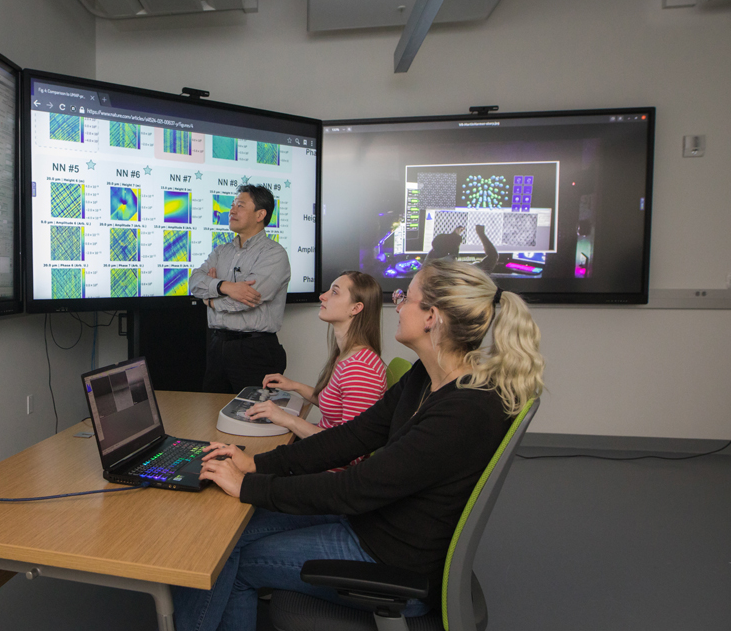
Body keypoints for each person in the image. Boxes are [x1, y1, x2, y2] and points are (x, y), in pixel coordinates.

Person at [174, 260, 545, 631]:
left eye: (404, 298)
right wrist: (257, 465)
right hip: (375, 522)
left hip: (389, 556)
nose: (396, 307)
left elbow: (353, 489)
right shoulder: (426, 376)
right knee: (227, 533)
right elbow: (351, 437)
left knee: (227, 558)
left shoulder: (463, 411)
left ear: (432, 316)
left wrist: (247, 486)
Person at [245, 271, 386, 444]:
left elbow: (347, 447)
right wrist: (294, 385)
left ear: (355, 308)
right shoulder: (346, 356)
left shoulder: (360, 369)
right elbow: (335, 404)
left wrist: (287, 419)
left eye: (334, 292)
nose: (322, 296)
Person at [190, 184, 291, 394]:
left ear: (260, 214)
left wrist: (209, 299)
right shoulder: (221, 251)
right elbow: (194, 283)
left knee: (253, 417)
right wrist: (224, 286)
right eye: (232, 205)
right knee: (212, 414)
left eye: (240, 206)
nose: (232, 211)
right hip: (217, 345)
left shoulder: (274, 254)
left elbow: (245, 300)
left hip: (254, 351)